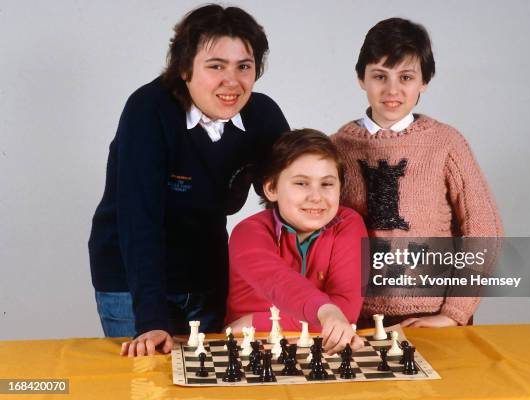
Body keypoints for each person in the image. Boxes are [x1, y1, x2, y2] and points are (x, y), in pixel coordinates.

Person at [88, 4, 289, 356]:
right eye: (216, 67)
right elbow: (139, 220)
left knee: (206, 382)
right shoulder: (149, 110)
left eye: (244, 66)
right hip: (131, 276)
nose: (232, 82)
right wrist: (151, 319)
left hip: (206, 270)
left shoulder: (263, 116)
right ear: (184, 68)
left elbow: (294, 197)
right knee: (147, 383)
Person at [331, 18, 503, 328]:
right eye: (379, 76)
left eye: (406, 77)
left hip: (432, 315)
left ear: (424, 81)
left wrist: (454, 313)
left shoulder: (446, 144)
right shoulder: (335, 149)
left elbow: (484, 227)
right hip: (355, 316)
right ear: (361, 78)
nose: (392, 90)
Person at [226, 129, 366, 354]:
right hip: (252, 349)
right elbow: (279, 282)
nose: (316, 197)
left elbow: (346, 314)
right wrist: (327, 313)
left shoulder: (348, 224)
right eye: (301, 183)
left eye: (327, 184)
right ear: (271, 188)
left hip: (320, 351)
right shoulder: (248, 233)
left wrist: (255, 321)